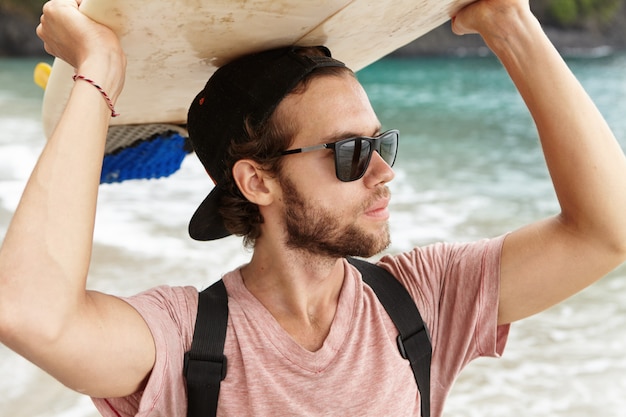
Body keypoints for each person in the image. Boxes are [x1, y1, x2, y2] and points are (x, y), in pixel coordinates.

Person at [1, 0, 625, 415]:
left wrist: (511, 23)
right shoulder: (187, 342)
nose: (382, 172)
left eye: (381, 144)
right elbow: (31, 315)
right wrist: (99, 75)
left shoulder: (421, 302)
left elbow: (607, 229)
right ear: (257, 181)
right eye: (351, 152)